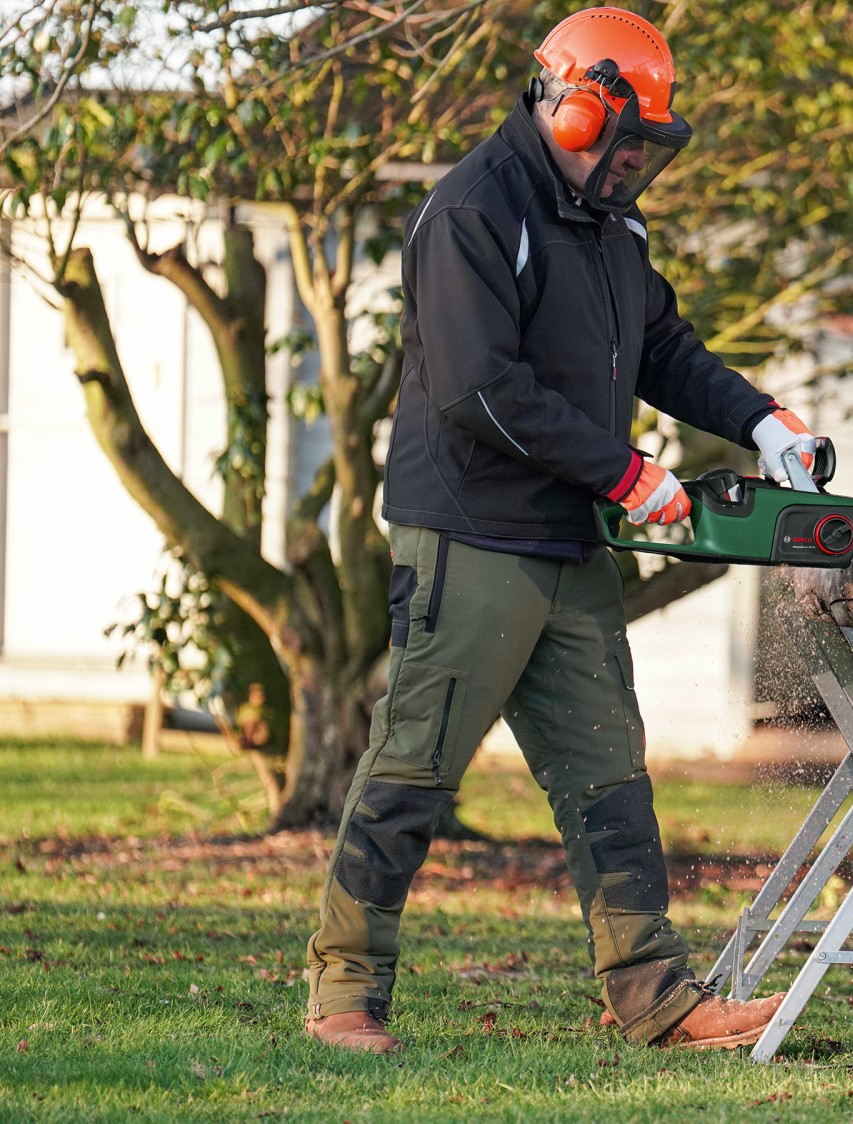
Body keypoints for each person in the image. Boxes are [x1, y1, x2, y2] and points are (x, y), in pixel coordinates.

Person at [302, 6, 818, 1054]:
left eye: (646, 152)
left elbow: (661, 346)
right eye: (625, 145)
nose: (634, 167)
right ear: (575, 110)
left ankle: (653, 997)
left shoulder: (610, 225)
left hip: (570, 534)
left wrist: (758, 421)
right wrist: (625, 471)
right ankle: (343, 992)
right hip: (471, 532)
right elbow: (476, 388)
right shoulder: (473, 212)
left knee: (608, 772)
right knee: (415, 762)